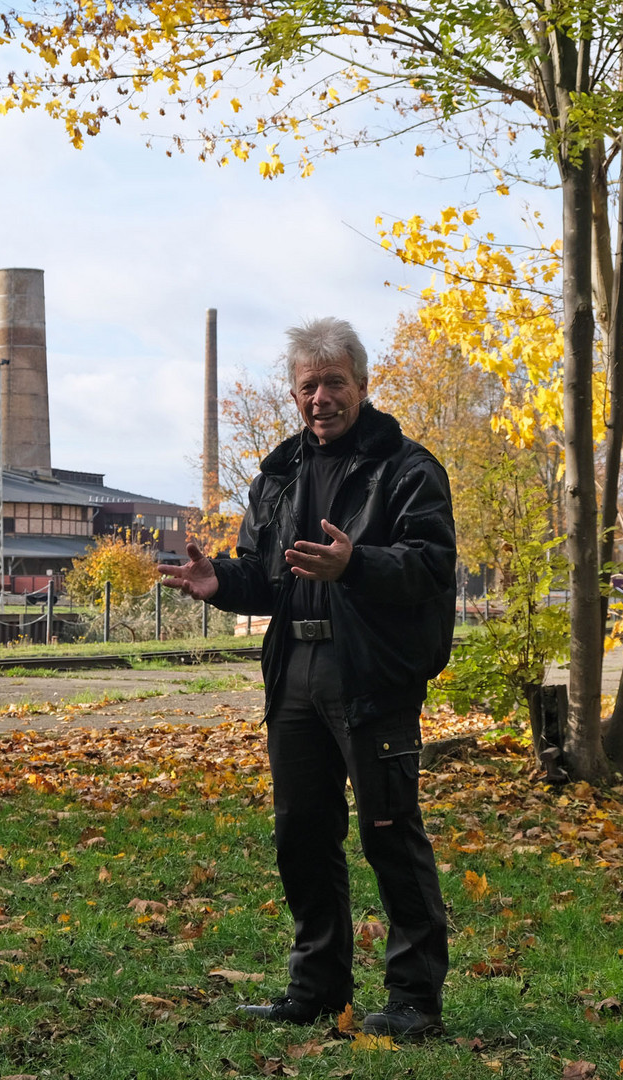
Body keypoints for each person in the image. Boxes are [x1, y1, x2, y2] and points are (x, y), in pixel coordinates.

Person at [161, 316, 455, 1041]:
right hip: (294, 665)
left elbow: (430, 564)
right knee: (301, 831)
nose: (319, 397)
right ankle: (317, 988)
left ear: (361, 385)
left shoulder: (407, 468)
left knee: (388, 831)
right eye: (306, 386)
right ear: (293, 394)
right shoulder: (278, 472)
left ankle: (414, 1000)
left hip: (371, 674)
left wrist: (355, 562)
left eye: (333, 383)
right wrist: (216, 582)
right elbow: (264, 577)